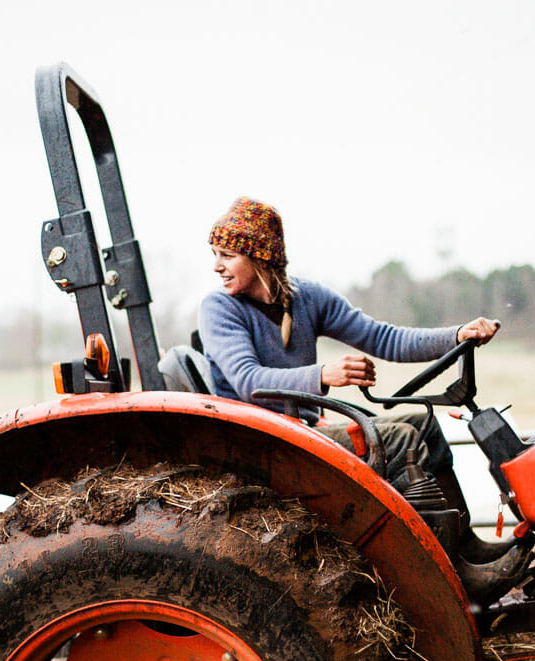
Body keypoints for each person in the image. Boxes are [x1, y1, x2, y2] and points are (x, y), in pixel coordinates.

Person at [197, 196, 501, 547]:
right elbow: (249, 382)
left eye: (227, 255)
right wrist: (323, 374)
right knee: (401, 440)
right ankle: (434, 560)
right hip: (265, 442)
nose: (217, 266)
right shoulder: (219, 308)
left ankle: (467, 546)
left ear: (260, 257)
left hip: (303, 430)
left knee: (427, 427)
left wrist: (457, 335)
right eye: (215, 255)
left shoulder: (307, 298)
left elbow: (383, 338)